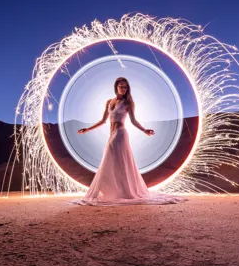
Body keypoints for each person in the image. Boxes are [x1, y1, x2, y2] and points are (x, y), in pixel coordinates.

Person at [70, 77, 186, 206]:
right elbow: (103, 121)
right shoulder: (109, 101)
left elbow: (133, 120)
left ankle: (122, 191)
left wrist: (144, 130)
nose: (123, 89)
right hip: (111, 135)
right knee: (114, 163)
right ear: (116, 87)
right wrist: (87, 129)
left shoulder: (128, 102)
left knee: (111, 161)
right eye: (121, 87)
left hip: (120, 134)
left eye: (125, 87)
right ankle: (117, 191)